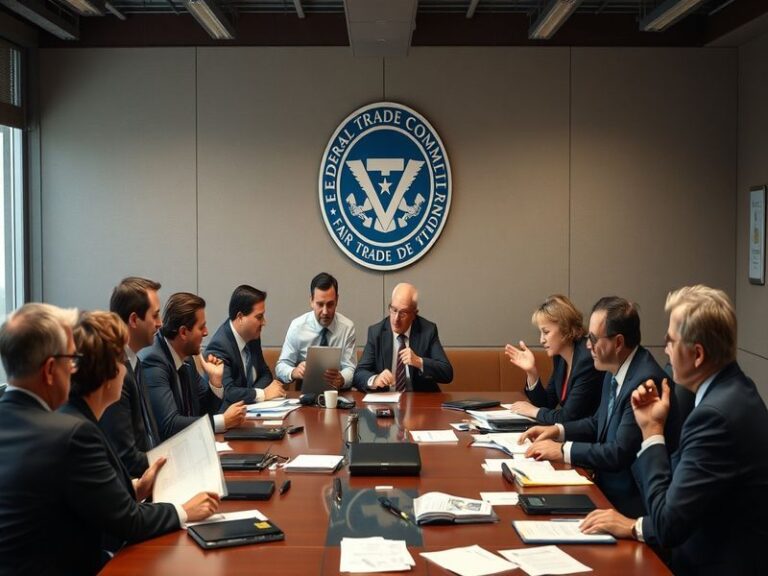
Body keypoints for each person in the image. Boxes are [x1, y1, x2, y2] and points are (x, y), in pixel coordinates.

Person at [0, 304, 219, 576]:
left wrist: (133, 490)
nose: (74, 370)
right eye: (71, 361)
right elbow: (125, 522)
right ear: (49, 371)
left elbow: (60, 502)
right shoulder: (70, 433)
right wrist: (183, 511)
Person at [580, 286, 768, 576]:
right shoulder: (734, 391)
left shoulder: (714, 417)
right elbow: (680, 496)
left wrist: (652, 432)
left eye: (670, 340)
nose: (664, 349)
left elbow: (669, 524)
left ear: (697, 354)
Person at [520, 296, 680, 517]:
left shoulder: (644, 382)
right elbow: (598, 423)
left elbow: (618, 452)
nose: (587, 345)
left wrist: (563, 450)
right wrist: (558, 431)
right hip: (605, 489)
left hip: (630, 505)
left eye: (593, 339)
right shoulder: (614, 368)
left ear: (618, 343)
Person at [141, 292, 247, 441]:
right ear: (183, 332)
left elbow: (203, 409)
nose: (206, 332)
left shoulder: (186, 357)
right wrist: (222, 421)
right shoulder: (154, 362)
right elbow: (170, 425)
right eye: (201, 327)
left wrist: (215, 382)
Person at [504, 294, 604, 423]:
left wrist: (534, 411)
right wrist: (531, 372)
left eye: (546, 332)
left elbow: (568, 417)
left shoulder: (587, 359)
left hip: (589, 438)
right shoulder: (560, 357)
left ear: (565, 328)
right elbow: (547, 403)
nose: (541, 340)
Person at [99, 277, 163, 476]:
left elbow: (148, 436)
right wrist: (172, 461)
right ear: (134, 320)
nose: (160, 323)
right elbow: (125, 457)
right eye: (155, 316)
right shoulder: (113, 372)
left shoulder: (135, 362)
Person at [354, 283, 453, 392]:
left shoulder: (428, 331)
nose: (396, 319)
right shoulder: (376, 332)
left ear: (414, 314)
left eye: (403, 313)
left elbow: (447, 373)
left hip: (419, 402)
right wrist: (375, 380)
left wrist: (419, 362)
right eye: (394, 310)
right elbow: (359, 374)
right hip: (386, 403)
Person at [205, 285, 285, 408]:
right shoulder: (219, 346)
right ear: (240, 317)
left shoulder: (252, 336)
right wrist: (263, 394)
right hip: (227, 419)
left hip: (249, 412)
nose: (264, 322)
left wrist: (252, 395)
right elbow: (228, 392)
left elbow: (265, 374)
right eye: (259, 317)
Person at [275, 272, 357, 390]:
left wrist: (342, 378)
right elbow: (281, 366)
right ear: (311, 301)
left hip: (337, 394)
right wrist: (294, 372)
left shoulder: (347, 328)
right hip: (305, 395)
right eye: (320, 304)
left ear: (337, 300)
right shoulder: (297, 326)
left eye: (330, 304)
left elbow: (350, 368)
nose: (325, 311)